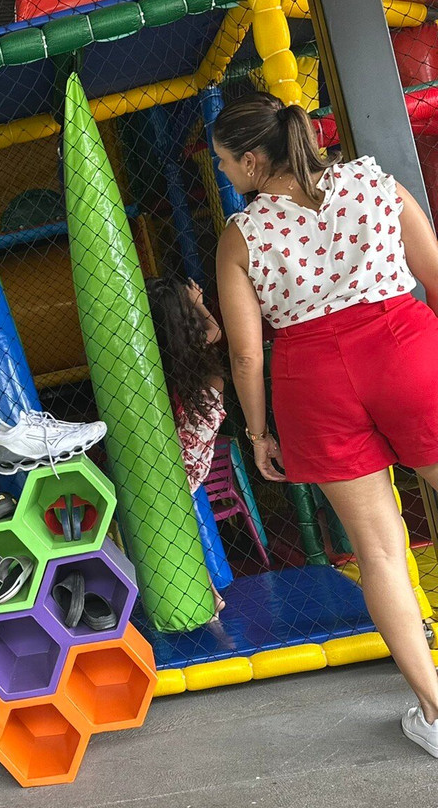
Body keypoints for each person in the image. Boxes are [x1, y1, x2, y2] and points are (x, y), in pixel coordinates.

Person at [213, 91, 438, 756]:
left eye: (224, 160)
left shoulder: (241, 236)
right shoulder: (375, 184)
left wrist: (258, 433)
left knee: (379, 553)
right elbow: (433, 274)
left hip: (313, 381)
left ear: (253, 160)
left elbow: (246, 354)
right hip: (406, 349)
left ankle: (435, 710)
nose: (223, 171)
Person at [146, 276, 228, 616]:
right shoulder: (199, 360)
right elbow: (215, 331)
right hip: (196, 461)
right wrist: (198, 303)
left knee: (178, 528)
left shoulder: (153, 366)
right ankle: (209, 593)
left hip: (172, 463)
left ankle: (207, 593)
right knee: (183, 525)